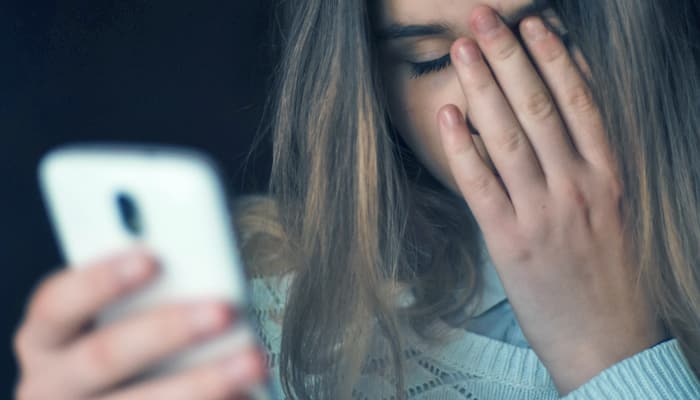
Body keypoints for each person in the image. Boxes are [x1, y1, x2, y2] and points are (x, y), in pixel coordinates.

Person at [13, 0, 700, 399]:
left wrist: (612, 357)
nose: (493, 111)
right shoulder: (263, 313)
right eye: (429, 61)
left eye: (540, 39)